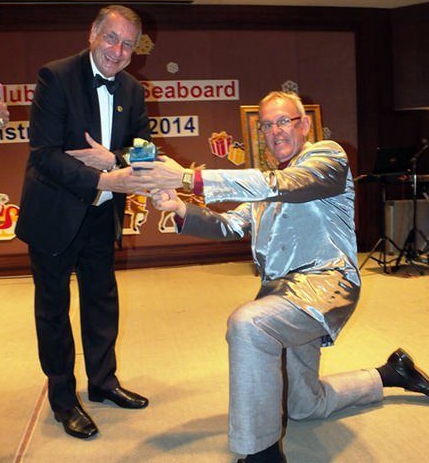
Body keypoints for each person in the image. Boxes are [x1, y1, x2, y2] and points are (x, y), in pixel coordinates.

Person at [133, 91, 429, 462]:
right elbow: (229, 225)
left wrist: (188, 177)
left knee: (248, 325)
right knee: (305, 406)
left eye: (283, 121)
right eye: (267, 125)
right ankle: (391, 373)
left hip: (325, 286)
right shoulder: (266, 186)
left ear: (304, 125)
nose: (275, 131)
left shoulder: (327, 157)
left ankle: (262, 454)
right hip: (282, 298)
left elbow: (285, 185)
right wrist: (179, 207)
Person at [16, 5, 151, 439]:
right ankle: (62, 397)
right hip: (55, 213)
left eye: (127, 44)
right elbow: (44, 155)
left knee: (101, 301)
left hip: (102, 213)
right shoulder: (55, 77)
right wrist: (104, 178)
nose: (118, 51)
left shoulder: (133, 89)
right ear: (93, 33)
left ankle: (103, 382)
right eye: (111, 38)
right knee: (53, 309)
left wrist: (113, 160)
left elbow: (144, 150)